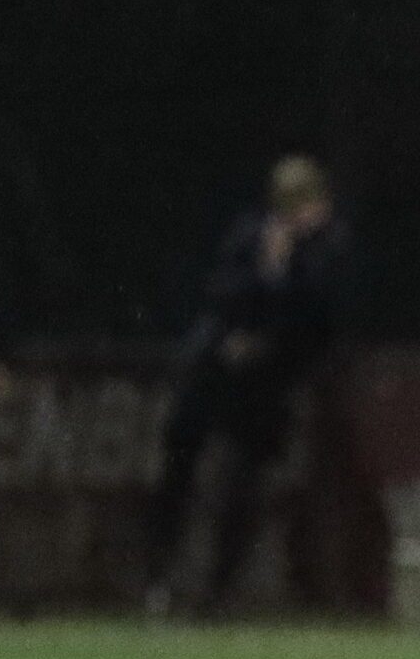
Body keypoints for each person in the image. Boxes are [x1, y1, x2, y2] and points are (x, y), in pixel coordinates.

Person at [145, 155, 352, 616]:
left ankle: (217, 592)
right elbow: (219, 292)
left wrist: (278, 278)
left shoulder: (328, 248)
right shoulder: (249, 234)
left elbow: (317, 315)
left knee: (243, 488)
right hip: (216, 371)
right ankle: (157, 576)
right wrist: (256, 287)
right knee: (179, 464)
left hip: (268, 385)